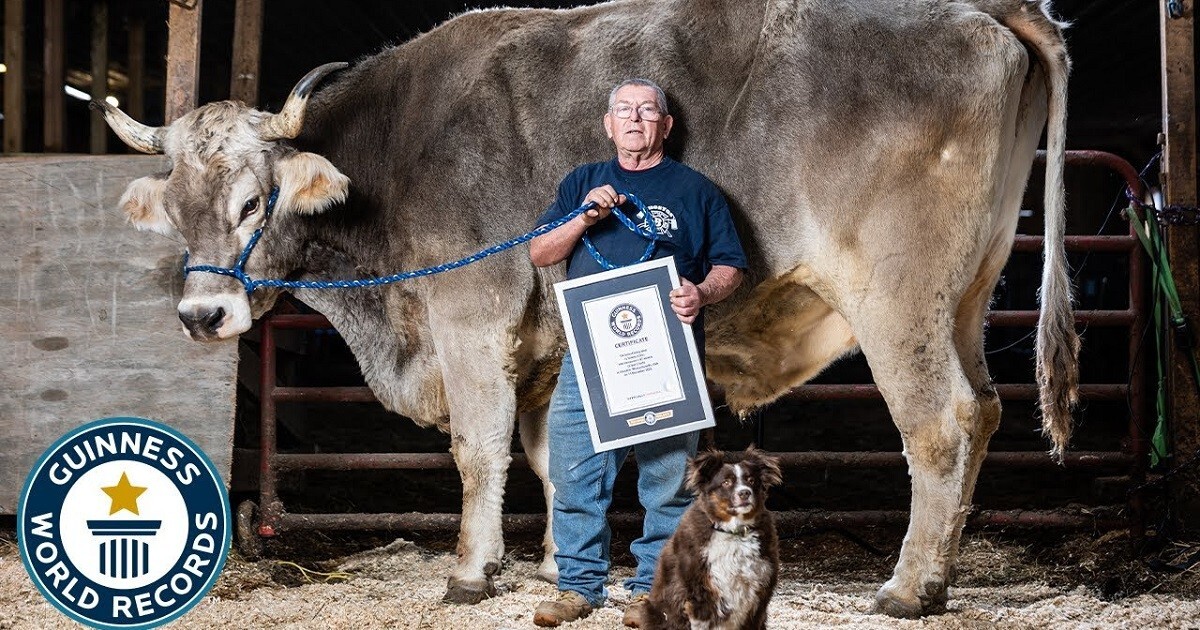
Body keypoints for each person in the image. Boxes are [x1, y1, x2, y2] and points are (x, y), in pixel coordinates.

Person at [529, 78, 747, 628]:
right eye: (623, 110)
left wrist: (701, 292)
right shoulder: (584, 182)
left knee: (667, 478)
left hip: (668, 355)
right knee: (575, 469)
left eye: (648, 111)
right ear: (608, 124)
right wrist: (584, 217)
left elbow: (731, 267)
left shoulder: (696, 191)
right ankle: (579, 586)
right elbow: (539, 252)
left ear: (666, 126)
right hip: (590, 355)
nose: (635, 119)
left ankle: (651, 589)